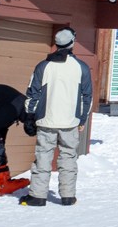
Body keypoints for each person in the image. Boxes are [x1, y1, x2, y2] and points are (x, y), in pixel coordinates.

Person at [21, 28, 94, 206]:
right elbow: (87, 97)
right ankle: (68, 196)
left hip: (46, 120)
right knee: (68, 157)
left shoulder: (43, 66)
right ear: (72, 43)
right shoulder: (81, 67)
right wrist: (82, 120)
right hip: (70, 121)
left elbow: (33, 94)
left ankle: (37, 196)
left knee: (43, 157)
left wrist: (30, 116)